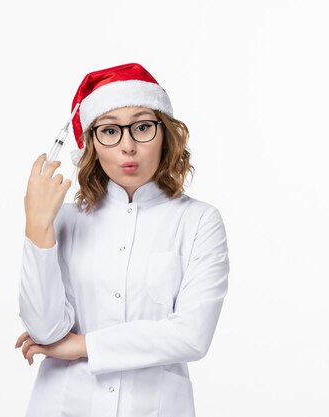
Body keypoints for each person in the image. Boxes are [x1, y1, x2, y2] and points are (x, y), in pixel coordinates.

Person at [15, 62, 229, 417]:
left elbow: (191, 335)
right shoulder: (64, 221)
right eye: (110, 131)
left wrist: (82, 346)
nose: (127, 146)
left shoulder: (198, 221)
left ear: (166, 135)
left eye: (143, 127)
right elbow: (45, 329)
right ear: (92, 144)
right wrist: (37, 228)